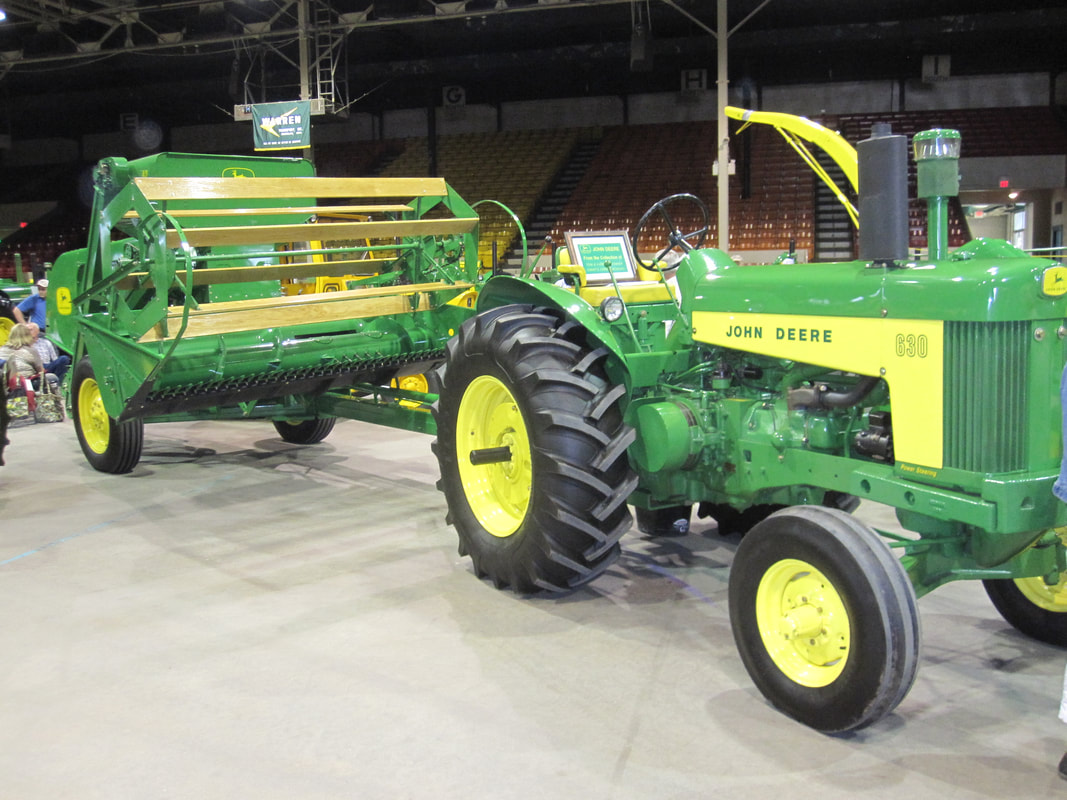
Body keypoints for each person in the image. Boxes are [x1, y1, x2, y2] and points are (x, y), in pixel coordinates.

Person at [0, 322, 58, 390]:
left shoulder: (2, 349)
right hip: (25, 384)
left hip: (4, 384)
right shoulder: (31, 351)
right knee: (52, 378)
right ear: (28, 336)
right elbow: (41, 372)